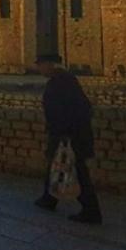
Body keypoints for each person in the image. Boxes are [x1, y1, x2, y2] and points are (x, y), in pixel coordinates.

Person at [33, 53, 102, 224]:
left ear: (50, 65)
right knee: (55, 166)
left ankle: (91, 210)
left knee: (78, 172)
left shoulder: (61, 82)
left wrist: (65, 134)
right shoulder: (64, 80)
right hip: (67, 134)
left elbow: (70, 110)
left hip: (70, 136)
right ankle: (49, 198)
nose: (39, 69)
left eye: (40, 65)